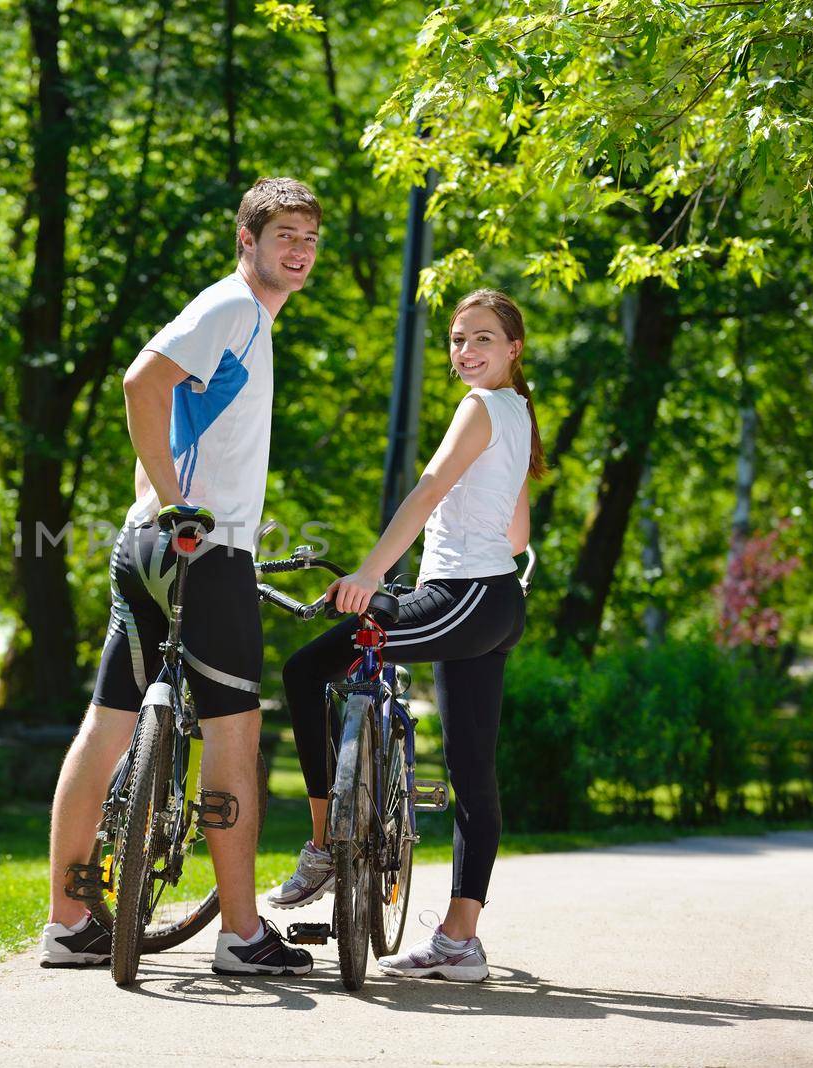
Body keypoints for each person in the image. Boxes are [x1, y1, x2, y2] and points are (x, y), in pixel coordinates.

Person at [39, 177, 322, 975]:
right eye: (283, 238)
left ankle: (68, 925)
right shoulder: (231, 309)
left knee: (108, 724)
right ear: (248, 241)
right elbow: (140, 380)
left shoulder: (249, 323)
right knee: (237, 731)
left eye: (308, 239)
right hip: (203, 549)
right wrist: (178, 501)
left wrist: (158, 499)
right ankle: (241, 935)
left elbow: (169, 411)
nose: (298, 252)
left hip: (145, 547)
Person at [267, 288, 546, 982]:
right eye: (457, 340)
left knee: (306, 672)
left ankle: (324, 845)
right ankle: (459, 941)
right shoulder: (517, 412)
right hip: (492, 601)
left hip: (464, 597)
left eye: (483, 339)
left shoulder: (479, 407)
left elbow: (426, 489)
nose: (466, 351)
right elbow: (518, 534)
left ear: (513, 349)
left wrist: (366, 574)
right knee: (472, 771)